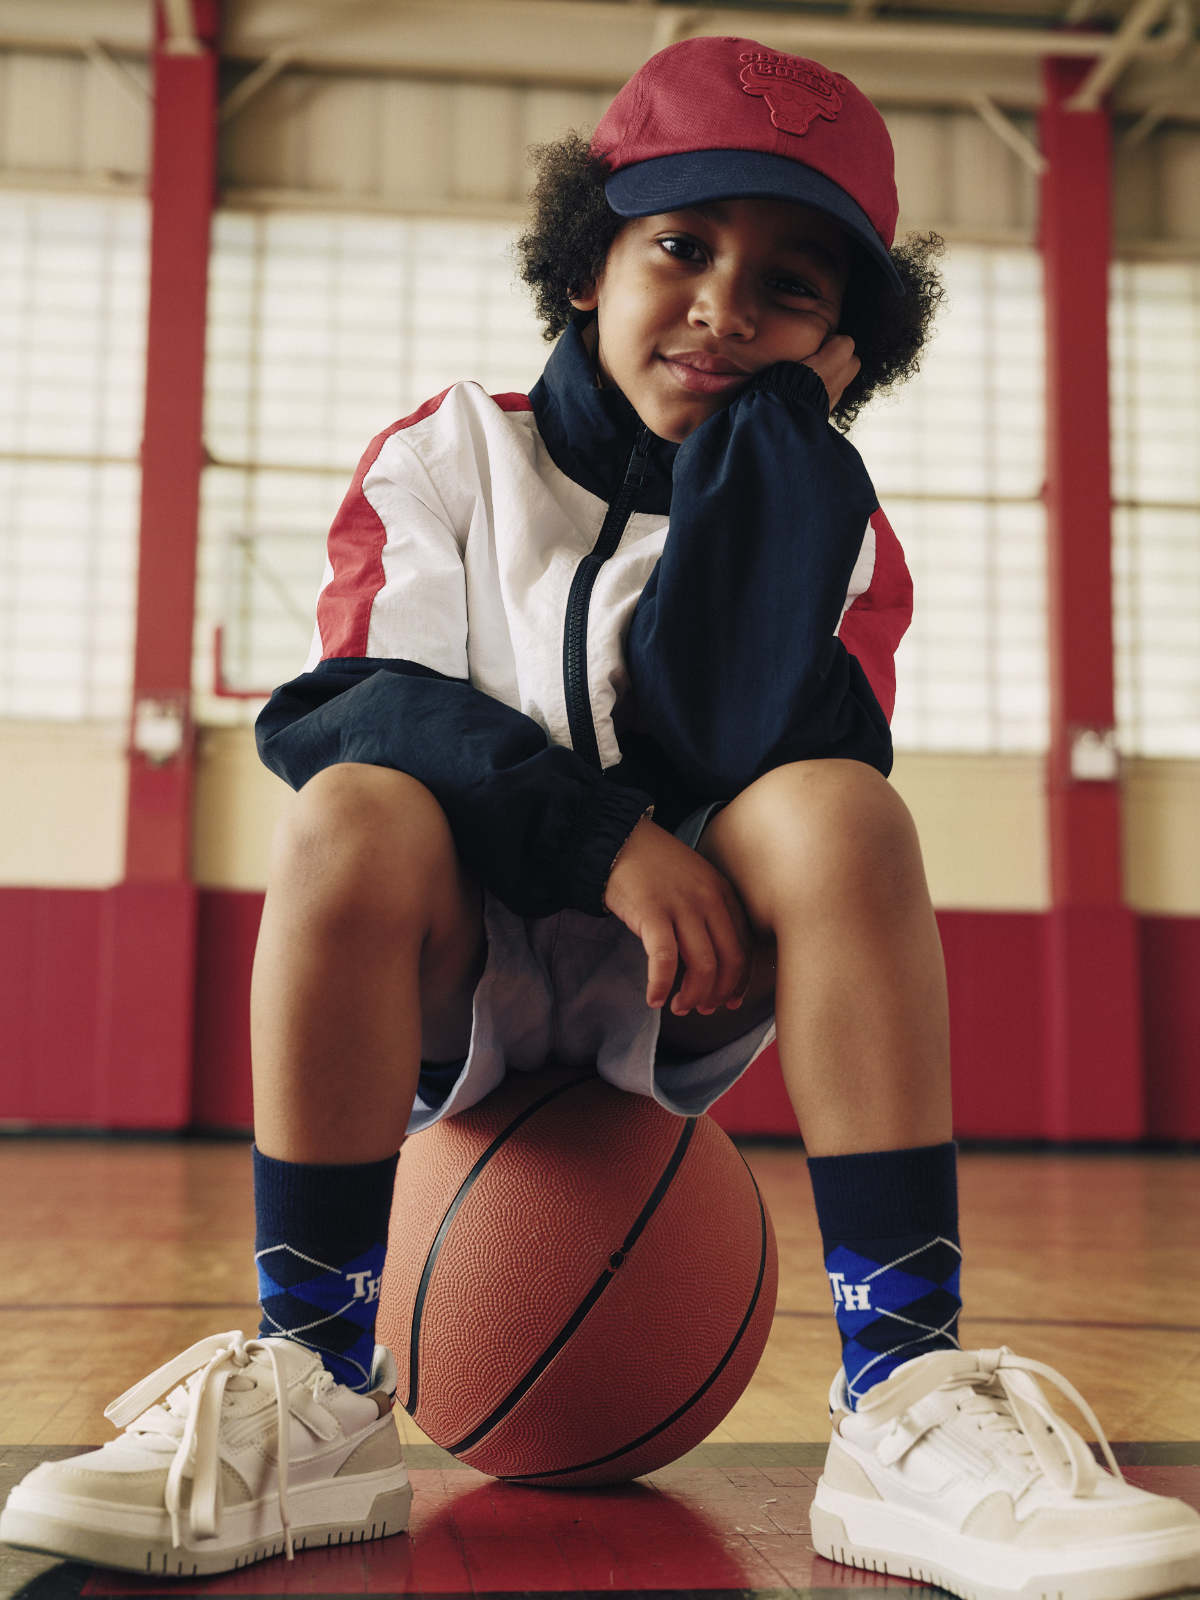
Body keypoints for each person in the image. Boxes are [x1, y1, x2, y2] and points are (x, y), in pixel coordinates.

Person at [4, 33, 1199, 1599]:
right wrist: (599, 842)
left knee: (840, 817)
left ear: (848, 341)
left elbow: (748, 736)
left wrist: (771, 467)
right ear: (587, 259)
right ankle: (315, 1388)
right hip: (449, 975)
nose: (722, 303)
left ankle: (904, 1395)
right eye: (681, 247)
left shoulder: (834, 525)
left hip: (684, 990)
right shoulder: (447, 458)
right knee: (351, 813)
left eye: (790, 286)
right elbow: (356, 709)